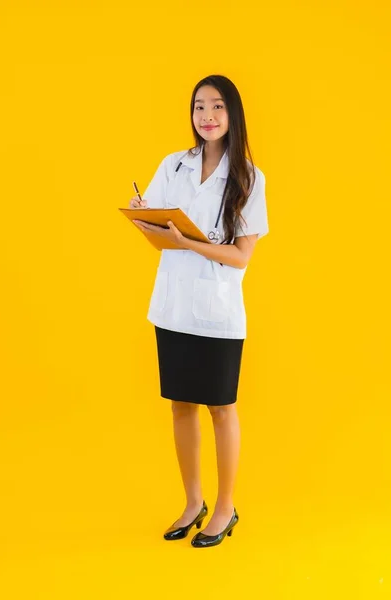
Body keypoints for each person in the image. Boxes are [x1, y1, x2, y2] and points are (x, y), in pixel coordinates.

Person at [129, 74, 269, 548]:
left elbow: (241, 255)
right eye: (199, 107)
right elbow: (155, 235)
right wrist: (141, 216)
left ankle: (225, 507)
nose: (207, 117)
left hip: (217, 310)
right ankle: (193, 501)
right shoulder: (174, 165)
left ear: (233, 115)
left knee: (221, 408)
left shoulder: (248, 177)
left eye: (217, 107)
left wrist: (186, 241)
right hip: (173, 306)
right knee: (181, 405)